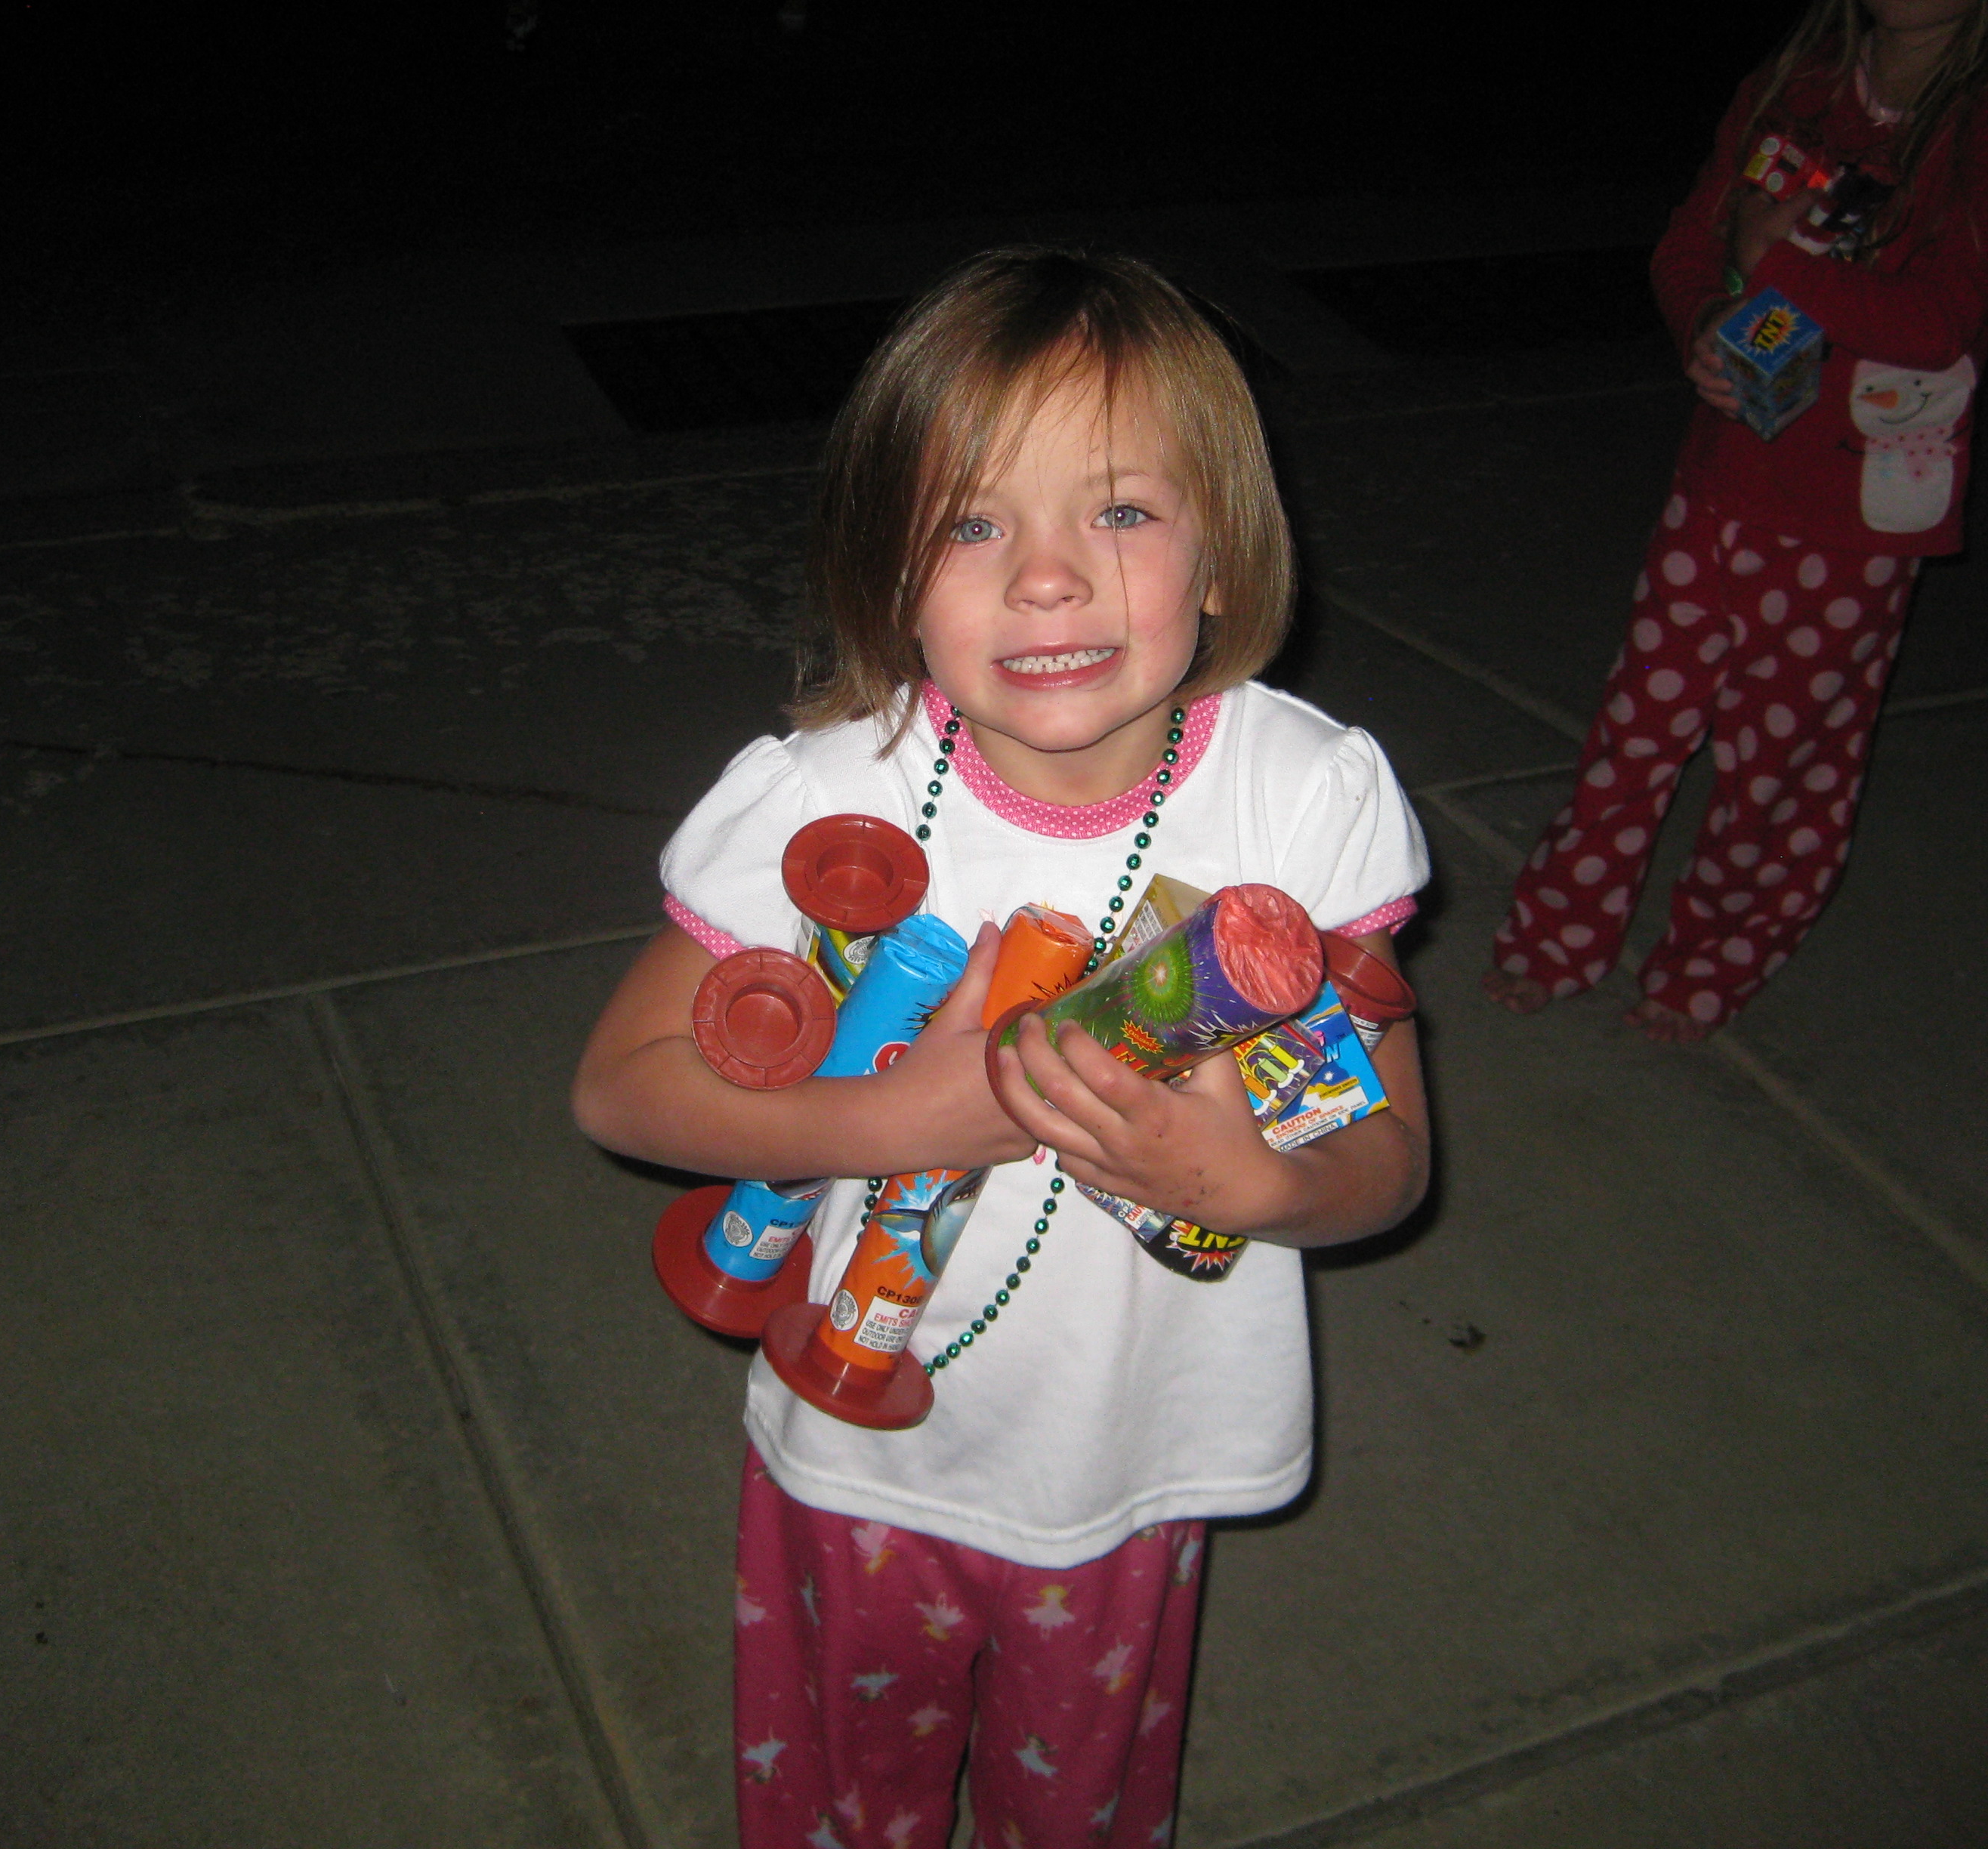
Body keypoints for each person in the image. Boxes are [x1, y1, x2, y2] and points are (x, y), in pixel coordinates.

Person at [571, 248, 1431, 1849]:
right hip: (853, 1449)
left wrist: (1246, 1176)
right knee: (843, 1804)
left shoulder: (1300, 806)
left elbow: (1386, 1166)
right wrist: (903, 1110)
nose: (1046, 579)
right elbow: (621, 1086)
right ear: (891, 574)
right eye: (973, 523)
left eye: (1118, 512)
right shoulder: (834, 794)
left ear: (1226, 551)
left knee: (1082, 1812)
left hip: (1125, 1455)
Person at [1483, 0, 1988, 1040]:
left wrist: (1782, 265)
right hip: (1723, 473)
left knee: (1778, 765)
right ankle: (1559, 939)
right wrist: (1703, 316)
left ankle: (1708, 964)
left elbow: (1942, 321)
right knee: (1634, 732)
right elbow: (1691, 244)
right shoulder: (1799, 79)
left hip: (1854, 506)